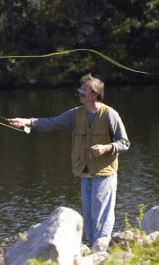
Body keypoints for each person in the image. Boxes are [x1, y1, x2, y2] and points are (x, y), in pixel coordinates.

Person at [8, 73, 130, 248]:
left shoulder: (110, 114)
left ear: (95, 94)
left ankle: (101, 248)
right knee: (87, 217)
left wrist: (105, 148)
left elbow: (125, 143)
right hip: (84, 172)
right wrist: (26, 122)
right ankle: (95, 249)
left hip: (105, 173)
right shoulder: (74, 114)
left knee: (101, 214)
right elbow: (51, 123)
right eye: (80, 88)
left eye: (84, 89)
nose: (79, 91)